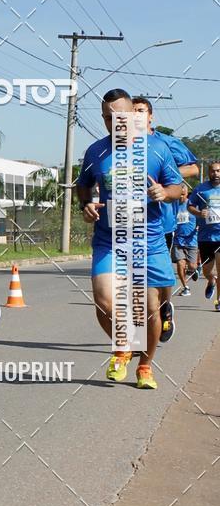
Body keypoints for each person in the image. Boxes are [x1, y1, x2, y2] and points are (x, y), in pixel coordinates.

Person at [76, 89, 183, 389]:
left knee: (148, 307)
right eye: (109, 119)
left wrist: (164, 192)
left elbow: (177, 186)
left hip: (148, 240)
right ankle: (123, 345)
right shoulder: (95, 152)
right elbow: (83, 186)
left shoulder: (158, 149)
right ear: (104, 119)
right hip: (109, 240)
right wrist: (85, 205)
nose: (115, 123)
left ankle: (145, 366)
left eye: (120, 116)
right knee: (103, 300)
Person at [132, 96, 199, 341]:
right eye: (132, 111)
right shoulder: (123, 144)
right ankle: (142, 323)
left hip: (163, 221)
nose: (136, 115)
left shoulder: (166, 142)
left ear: (151, 116)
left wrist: (165, 171)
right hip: (130, 220)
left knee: (159, 275)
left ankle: (165, 306)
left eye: (141, 111)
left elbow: (193, 169)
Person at [188, 161, 220, 311]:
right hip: (206, 237)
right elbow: (190, 206)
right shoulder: (201, 189)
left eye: (219, 171)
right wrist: (199, 213)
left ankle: (219, 300)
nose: (216, 174)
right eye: (213, 171)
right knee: (208, 271)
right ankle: (211, 280)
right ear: (208, 173)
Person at [171, 184, 199, 296]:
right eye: (179, 195)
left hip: (192, 240)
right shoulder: (174, 206)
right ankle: (185, 286)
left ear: (187, 194)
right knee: (180, 264)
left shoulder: (192, 206)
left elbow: (200, 217)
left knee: (192, 266)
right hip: (178, 240)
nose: (181, 197)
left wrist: (199, 226)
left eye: (183, 194)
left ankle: (193, 270)